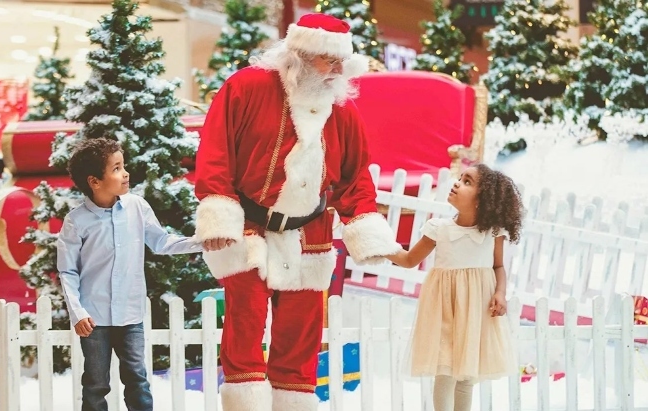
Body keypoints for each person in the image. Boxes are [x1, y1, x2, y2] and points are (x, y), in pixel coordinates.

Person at [193, 12, 402, 411]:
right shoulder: (246, 87)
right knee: (246, 325)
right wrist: (219, 212)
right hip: (249, 226)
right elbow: (215, 151)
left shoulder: (341, 108)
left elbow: (354, 176)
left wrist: (364, 228)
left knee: (300, 337)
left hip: (311, 232)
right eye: (329, 60)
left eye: (342, 61)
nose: (337, 71)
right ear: (300, 55)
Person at [57, 138, 202, 411]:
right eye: (116, 168)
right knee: (96, 384)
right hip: (93, 318)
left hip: (130, 315)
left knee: (138, 381)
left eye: (123, 166)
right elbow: (67, 271)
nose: (125, 173)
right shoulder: (76, 222)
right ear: (95, 181)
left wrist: (203, 241)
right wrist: (77, 312)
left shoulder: (137, 206)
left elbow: (162, 242)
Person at [387, 164, 524, 411]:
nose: (458, 182)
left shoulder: (492, 233)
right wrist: (380, 247)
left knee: (466, 376)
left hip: (476, 312)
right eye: (460, 178)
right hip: (443, 309)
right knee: (444, 371)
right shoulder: (438, 229)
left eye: (468, 181)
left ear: (484, 201)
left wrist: (500, 292)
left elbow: (498, 267)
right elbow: (409, 260)